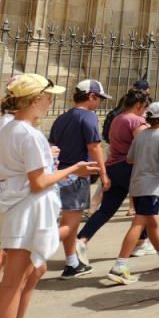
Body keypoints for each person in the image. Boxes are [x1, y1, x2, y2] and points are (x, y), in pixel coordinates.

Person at [0, 74, 98, 318]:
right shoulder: (27, 133)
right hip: (27, 212)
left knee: (19, 280)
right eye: (47, 96)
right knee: (12, 285)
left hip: (19, 209)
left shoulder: (11, 128)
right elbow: (39, 180)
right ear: (32, 100)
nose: (51, 101)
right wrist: (74, 168)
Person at [105, 102, 159, 285]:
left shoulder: (140, 136)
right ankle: (119, 265)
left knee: (152, 221)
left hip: (138, 184)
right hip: (151, 186)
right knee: (139, 223)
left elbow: (130, 158)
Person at [77, 89, 152, 260]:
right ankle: (140, 244)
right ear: (139, 105)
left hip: (113, 167)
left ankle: (82, 238)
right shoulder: (137, 121)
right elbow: (142, 146)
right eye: (145, 108)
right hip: (129, 168)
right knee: (145, 209)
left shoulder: (118, 118)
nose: (145, 112)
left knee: (106, 210)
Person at [49, 79, 110, 280]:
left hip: (60, 174)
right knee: (69, 224)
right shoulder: (89, 117)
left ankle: (72, 263)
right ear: (91, 96)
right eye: (99, 98)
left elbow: (53, 146)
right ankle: (34, 247)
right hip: (77, 174)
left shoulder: (62, 118)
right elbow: (94, 147)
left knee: (71, 223)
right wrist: (103, 173)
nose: (100, 102)